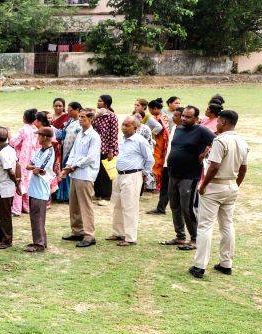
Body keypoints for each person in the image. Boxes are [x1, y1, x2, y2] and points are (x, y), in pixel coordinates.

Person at [190, 109, 250, 278]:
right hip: (231, 185)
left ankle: (199, 265)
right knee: (227, 225)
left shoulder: (220, 140)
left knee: (205, 226)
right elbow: (243, 169)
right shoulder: (242, 142)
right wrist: (235, 185)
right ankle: (226, 263)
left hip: (215, 186)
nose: (216, 124)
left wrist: (203, 185)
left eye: (218, 121)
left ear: (223, 122)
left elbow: (214, 166)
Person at [163, 106, 214, 251]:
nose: (184, 118)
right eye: (183, 116)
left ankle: (195, 238)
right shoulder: (178, 129)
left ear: (196, 119)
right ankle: (180, 236)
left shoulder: (201, 130)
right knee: (174, 206)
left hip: (189, 176)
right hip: (173, 174)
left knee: (188, 208)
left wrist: (205, 153)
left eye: (188, 117)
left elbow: (218, 142)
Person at [105, 116, 154, 246]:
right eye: (123, 125)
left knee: (130, 206)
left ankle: (130, 237)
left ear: (135, 128)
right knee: (118, 205)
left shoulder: (140, 140)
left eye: (127, 125)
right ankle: (118, 233)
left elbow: (150, 159)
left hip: (132, 176)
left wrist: (144, 173)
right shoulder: (122, 139)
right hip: (119, 175)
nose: (124, 128)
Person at [60, 109, 101, 248]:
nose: (80, 119)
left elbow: (90, 158)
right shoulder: (80, 134)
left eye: (83, 117)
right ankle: (77, 231)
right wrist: (68, 166)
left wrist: (74, 166)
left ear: (91, 119)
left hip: (85, 175)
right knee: (74, 205)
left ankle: (89, 235)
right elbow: (73, 152)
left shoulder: (94, 136)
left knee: (85, 206)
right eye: (80, 117)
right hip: (75, 174)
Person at [0, 126, 20, 249]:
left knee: (5, 214)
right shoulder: (7, 149)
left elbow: (10, 171)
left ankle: (7, 240)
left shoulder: (4, 153)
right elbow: (17, 165)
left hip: (4, 188)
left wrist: (16, 183)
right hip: (0, 187)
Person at [25, 127, 56, 253]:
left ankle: (39, 244)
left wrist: (34, 168)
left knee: (38, 217)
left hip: (41, 189)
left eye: (39, 135)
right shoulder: (40, 150)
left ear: (45, 137)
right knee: (35, 217)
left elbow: (39, 170)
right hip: (34, 188)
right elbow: (30, 166)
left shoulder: (49, 152)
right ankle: (40, 241)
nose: (37, 138)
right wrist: (34, 168)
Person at [10, 110, 38, 216]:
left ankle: (16, 209)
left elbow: (14, 142)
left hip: (22, 159)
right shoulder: (35, 129)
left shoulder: (23, 130)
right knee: (28, 182)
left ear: (24, 118)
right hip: (31, 159)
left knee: (19, 182)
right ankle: (26, 207)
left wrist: (9, 134)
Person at [92, 95, 119, 204]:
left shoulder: (112, 116)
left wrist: (111, 150)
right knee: (97, 171)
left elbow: (114, 135)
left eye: (100, 101)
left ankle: (106, 197)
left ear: (106, 104)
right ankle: (97, 194)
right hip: (96, 148)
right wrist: (96, 116)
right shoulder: (97, 115)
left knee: (106, 173)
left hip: (107, 149)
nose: (97, 102)